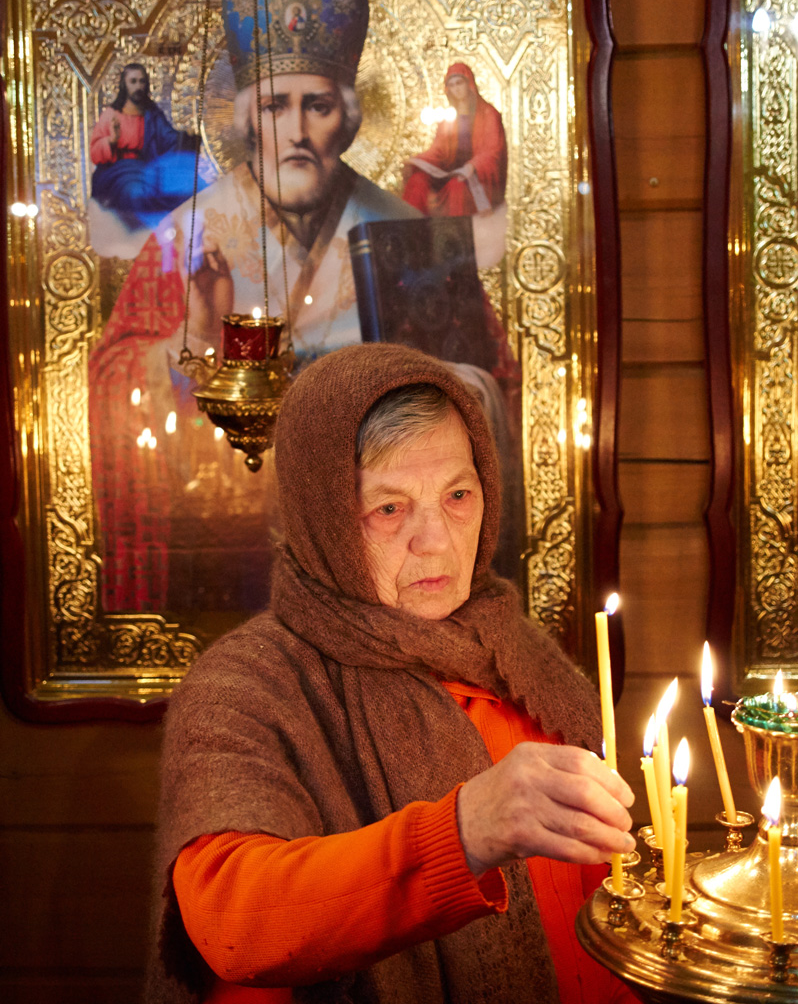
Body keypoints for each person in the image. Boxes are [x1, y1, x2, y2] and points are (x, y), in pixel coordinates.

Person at [147, 342, 638, 1004]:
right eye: (389, 508)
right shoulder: (247, 684)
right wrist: (465, 832)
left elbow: (597, 906)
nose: (435, 539)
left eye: (457, 495)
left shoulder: (522, 658)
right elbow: (233, 918)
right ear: (324, 519)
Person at [88, 0, 512, 614]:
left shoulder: (407, 231)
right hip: (232, 553)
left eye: (316, 105)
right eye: (273, 105)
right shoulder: (187, 236)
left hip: (384, 556)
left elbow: (493, 380)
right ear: (246, 119)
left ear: (346, 117)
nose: (295, 130)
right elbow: (115, 383)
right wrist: (196, 335)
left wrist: (444, 387)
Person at [89, 62, 203, 255]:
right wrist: (111, 140)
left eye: (142, 81)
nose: (138, 86)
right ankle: (134, 240)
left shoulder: (152, 114)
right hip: (117, 173)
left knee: (179, 190)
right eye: (133, 81)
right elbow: (95, 152)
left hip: (146, 169)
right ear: (124, 85)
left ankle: (163, 242)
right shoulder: (111, 115)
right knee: (135, 192)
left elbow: (168, 139)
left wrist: (187, 138)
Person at [402, 63, 507, 217]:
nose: (456, 89)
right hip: (449, 173)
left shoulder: (489, 114)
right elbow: (439, 150)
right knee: (417, 181)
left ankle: (455, 230)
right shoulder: (449, 116)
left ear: (469, 84)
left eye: (459, 83)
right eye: (451, 85)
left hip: (475, 177)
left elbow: (493, 151)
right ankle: (410, 226)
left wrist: (473, 165)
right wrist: (417, 161)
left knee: (456, 186)